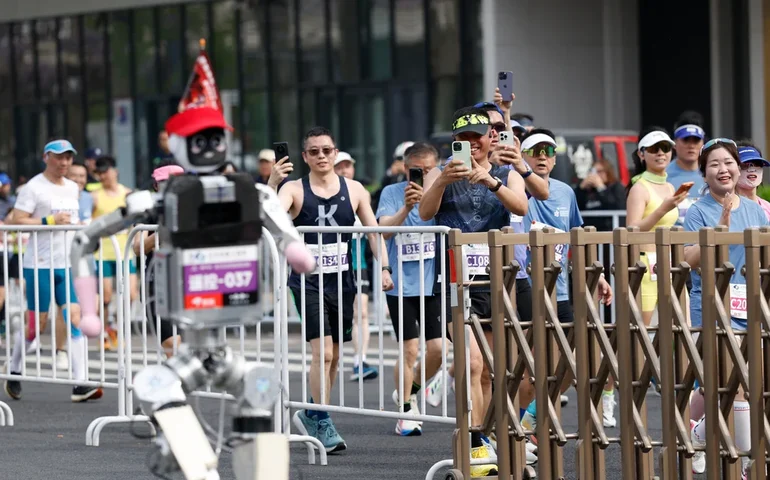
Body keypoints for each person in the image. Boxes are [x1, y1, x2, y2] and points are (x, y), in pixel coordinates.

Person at [419, 107, 545, 477]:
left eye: (479, 137)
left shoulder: (506, 169)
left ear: (491, 138)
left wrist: (490, 180)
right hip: (456, 280)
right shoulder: (440, 172)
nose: (472, 145)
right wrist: (441, 181)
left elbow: (521, 205)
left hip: (498, 277)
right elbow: (426, 213)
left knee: (492, 370)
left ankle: (486, 438)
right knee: (472, 363)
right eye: (465, 140)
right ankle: (473, 442)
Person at [277, 126, 394, 453]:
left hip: (341, 279)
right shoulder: (294, 189)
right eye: (313, 152)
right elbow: (271, 216)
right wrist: (274, 182)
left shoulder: (355, 189)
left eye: (326, 150)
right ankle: (323, 419)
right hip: (306, 279)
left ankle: (313, 412)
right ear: (305, 156)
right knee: (323, 352)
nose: (321, 156)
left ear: (334, 151)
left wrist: (383, 266)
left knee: (336, 356)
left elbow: (372, 232)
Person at [518, 128, 613, 440]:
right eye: (535, 151)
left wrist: (596, 274)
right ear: (523, 156)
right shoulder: (514, 186)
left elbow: (576, 236)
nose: (542, 157)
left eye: (548, 152)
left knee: (574, 360)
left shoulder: (565, 192)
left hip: (558, 290)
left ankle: (531, 416)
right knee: (531, 367)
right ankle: (528, 433)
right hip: (523, 288)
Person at [683, 138, 767, 478]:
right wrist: (724, 217)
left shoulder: (756, 209)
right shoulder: (697, 210)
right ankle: (747, 462)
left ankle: (701, 434)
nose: (724, 169)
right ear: (705, 173)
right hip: (712, 304)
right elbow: (690, 258)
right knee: (730, 383)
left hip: (751, 303)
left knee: (743, 384)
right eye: (714, 164)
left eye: (728, 162)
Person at [4, 139, 102, 403]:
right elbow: (16, 220)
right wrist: (48, 220)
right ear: (46, 157)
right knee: (37, 325)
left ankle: (80, 383)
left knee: (75, 316)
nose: (65, 163)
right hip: (38, 264)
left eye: (69, 158)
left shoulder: (72, 188)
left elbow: (70, 219)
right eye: (60, 158)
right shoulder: (33, 188)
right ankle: (14, 369)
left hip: (66, 262)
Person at [377, 142, 444, 436]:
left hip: (432, 283)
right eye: (417, 170)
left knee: (438, 350)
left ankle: (411, 388)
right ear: (405, 169)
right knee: (410, 348)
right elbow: (385, 229)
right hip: (401, 286)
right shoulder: (392, 193)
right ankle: (404, 411)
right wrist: (407, 206)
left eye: (429, 170)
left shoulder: (442, 192)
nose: (423, 175)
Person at [133, 164, 185, 358]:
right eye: (166, 182)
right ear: (156, 186)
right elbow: (137, 247)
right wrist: (161, 234)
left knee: (190, 349)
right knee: (173, 346)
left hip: (189, 284)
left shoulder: (193, 208)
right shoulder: (148, 211)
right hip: (157, 287)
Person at [333, 151, 377, 381]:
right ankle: (335, 357)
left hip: (357, 263)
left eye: (348, 165)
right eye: (339, 166)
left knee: (361, 312)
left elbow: (372, 229)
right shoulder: (328, 193)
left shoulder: (359, 192)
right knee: (341, 315)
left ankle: (360, 360)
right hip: (333, 265)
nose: (344, 170)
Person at [91, 156, 138, 351]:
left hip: (125, 251)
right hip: (102, 252)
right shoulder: (94, 196)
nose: (103, 176)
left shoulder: (128, 194)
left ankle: (117, 329)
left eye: (106, 171)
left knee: (131, 294)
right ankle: (103, 332)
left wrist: (137, 239)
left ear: (115, 171)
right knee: (106, 297)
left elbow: (135, 220)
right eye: (99, 173)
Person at [666, 111, 706, 226]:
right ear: (675, 143)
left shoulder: (712, 174)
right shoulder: (664, 175)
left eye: (696, 140)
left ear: (703, 142)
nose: (691, 145)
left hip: (706, 240)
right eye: (686, 140)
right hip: (673, 240)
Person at [575, 157, 626, 231]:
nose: (596, 175)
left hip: (608, 231)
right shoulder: (588, 190)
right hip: (589, 231)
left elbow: (615, 206)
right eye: (593, 171)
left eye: (600, 171)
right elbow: (576, 207)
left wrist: (601, 188)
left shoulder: (616, 187)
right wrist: (581, 189)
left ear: (608, 172)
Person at [735, 141, 770, 220]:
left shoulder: (768, 208)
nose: (752, 169)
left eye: (757, 163)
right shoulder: (727, 207)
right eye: (745, 164)